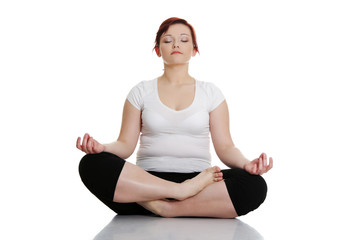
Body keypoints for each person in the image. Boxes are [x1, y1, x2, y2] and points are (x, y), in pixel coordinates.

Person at [76, 17, 273, 218]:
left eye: (184, 40)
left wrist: (247, 164)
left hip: (199, 184)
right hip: (146, 183)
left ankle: (167, 208)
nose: (176, 44)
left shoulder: (211, 93)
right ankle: (178, 194)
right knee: (91, 164)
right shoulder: (141, 91)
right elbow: (125, 145)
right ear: (158, 50)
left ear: (194, 50)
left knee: (254, 185)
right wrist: (102, 149)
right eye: (168, 40)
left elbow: (226, 148)